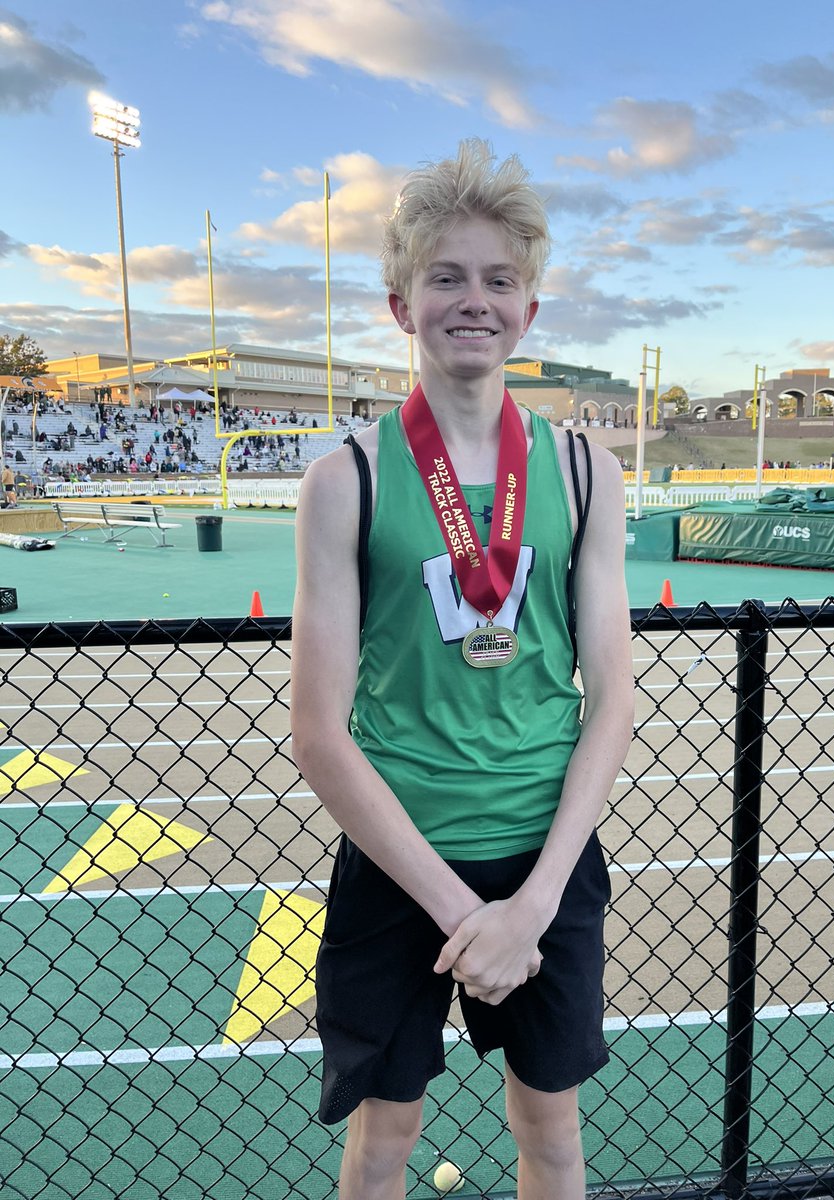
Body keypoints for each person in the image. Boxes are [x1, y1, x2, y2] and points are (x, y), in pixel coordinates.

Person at [290, 139, 634, 1200]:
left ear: (530, 309)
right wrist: (457, 912)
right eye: (445, 276)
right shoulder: (343, 478)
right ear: (400, 303)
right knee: (385, 1142)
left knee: (555, 1139)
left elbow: (613, 698)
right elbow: (319, 733)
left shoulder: (585, 467)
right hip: (402, 866)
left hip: (545, 858)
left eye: (498, 279)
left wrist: (529, 906)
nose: (472, 300)